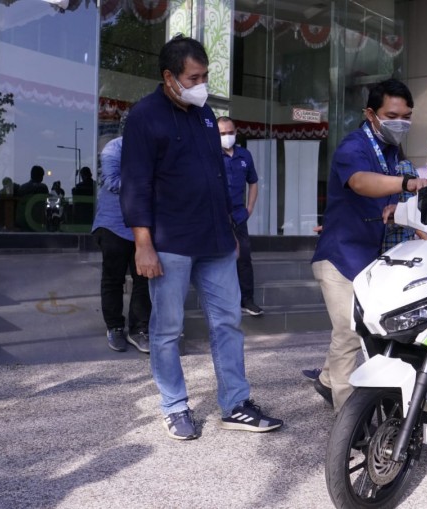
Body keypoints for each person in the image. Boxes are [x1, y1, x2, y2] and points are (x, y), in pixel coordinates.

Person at [120, 34, 282, 441]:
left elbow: (217, 176)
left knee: (228, 322)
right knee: (167, 329)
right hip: (170, 242)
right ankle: (174, 405)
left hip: (216, 241)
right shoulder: (144, 116)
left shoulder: (206, 114)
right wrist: (143, 243)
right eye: (194, 77)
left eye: (205, 75)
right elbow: (135, 183)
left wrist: (232, 227)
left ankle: (235, 404)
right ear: (169, 77)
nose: (201, 83)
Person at [310, 78, 427, 411]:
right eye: (392, 115)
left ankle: (326, 379)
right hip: (341, 257)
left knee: (370, 330)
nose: (400, 123)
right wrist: (406, 182)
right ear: (370, 114)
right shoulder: (354, 146)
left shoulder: (391, 152)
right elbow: (361, 183)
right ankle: (350, 425)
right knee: (349, 335)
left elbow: (387, 202)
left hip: (374, 260)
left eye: (406, 116)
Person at [93, 136, 152, 354]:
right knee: (113, 279)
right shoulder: (113, 149)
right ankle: (115, 327)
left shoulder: (153, 149)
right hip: (114, 225)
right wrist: (149, 183)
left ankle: (138, 330)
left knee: (143, 279)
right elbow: (112, 182)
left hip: (144, 227)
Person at [217, 116, 263, 317]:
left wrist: (249, 208)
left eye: (230, 132)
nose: (227, 136)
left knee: (243, 257)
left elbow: (253, 182)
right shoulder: (211, 155)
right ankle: (222, 303)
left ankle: (247, 300)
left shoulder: (245, 155)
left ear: (236, 132)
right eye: (222, 133)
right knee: (218, 259)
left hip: (238, 216)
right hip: (216, 215)